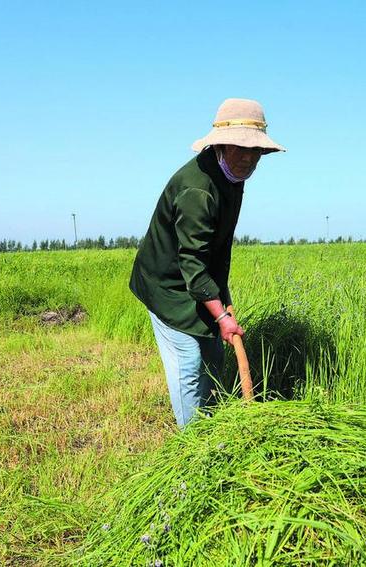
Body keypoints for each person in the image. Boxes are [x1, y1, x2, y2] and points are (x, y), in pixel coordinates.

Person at [129, 98, 285, 428]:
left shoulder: (234, 176)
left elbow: (216, 248)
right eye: (240, 147)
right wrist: (223, 317)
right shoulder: (197, 190)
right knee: (189, 362)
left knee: (214, 352)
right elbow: (193, 263)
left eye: (255, 150)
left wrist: (222, 303)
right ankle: (194, 446)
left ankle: (212, 421)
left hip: (199, 279)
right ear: (221, 144)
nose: (248, 157)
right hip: (168, 286)